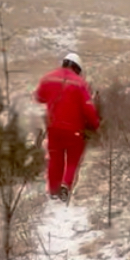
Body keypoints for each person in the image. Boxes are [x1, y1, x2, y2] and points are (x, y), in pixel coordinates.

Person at [34, 53, 100, 203]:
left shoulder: (48, 77)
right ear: (78, 68)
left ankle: (52, 192)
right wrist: (95, 124)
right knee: (72, 159)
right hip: (74, 130)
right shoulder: (80, 83)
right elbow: (88, 108)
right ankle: (65, 185)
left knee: (55, 159)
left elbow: (39, 96)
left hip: (54, 127)